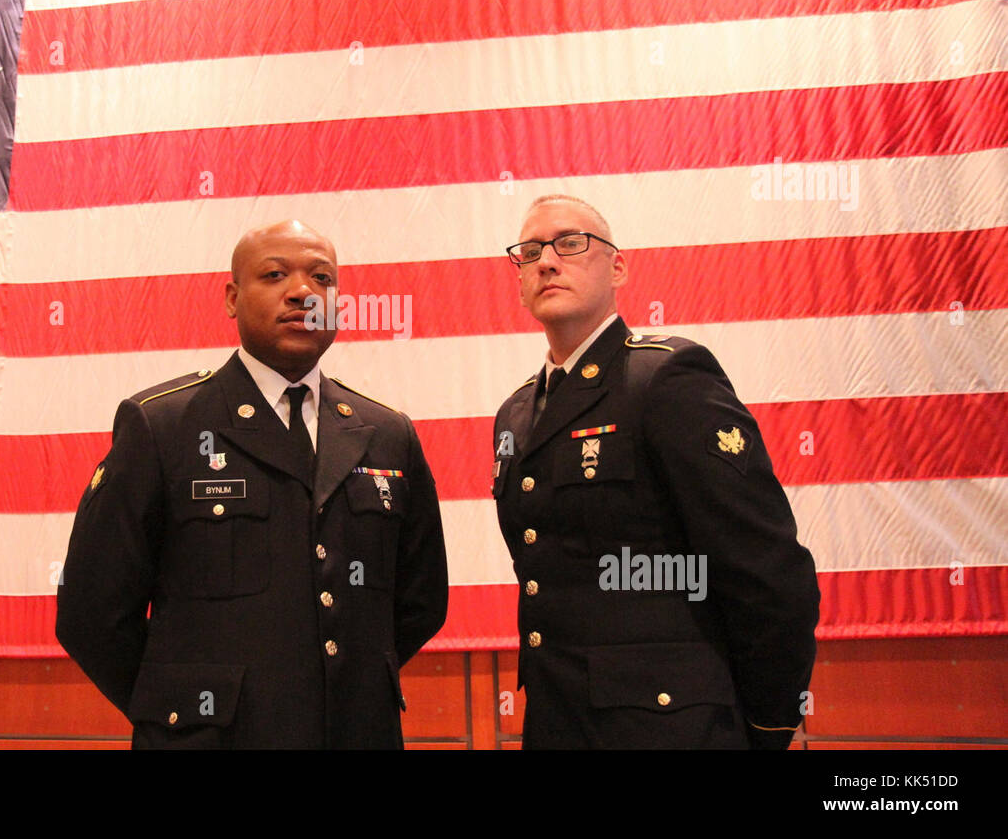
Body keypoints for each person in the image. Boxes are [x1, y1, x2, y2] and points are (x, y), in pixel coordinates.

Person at [56, 220, 448, 748]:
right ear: (232, 298)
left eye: (323, 279)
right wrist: (180, 709)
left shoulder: (386, 433)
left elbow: (420, 599)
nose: (303, 292)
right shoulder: (163, 425)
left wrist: (333, 688)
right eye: (275, 274)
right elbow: (91, 611)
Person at [492, 194, 820, 749]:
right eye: (529, 252)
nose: (547, 260)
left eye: (571, 243)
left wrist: (768, 721)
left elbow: (765, 569)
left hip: (671, 727)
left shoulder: (667, 378)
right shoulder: (517, 412)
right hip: (558, 722)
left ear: (617, 266)